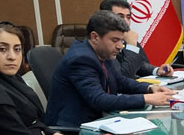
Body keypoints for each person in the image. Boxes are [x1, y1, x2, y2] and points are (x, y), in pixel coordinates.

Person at [44, 10, 174, 127]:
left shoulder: (102, 52)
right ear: (95, 37)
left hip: (100, 119)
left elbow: (120, 81)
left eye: (122, 40)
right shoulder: (81, 59)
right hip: (73, 129)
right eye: (115, 40)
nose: (120, 46)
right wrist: (146, 98)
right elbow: (99, 100)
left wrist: (150, 88)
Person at [100, 0, 173, 80]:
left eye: (128, 17)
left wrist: (157, 70)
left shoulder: (127, 38)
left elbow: (139, 64)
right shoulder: (102, 44)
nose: (126, 22)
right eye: (120, 17)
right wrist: (132, 46)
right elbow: (122, 78)